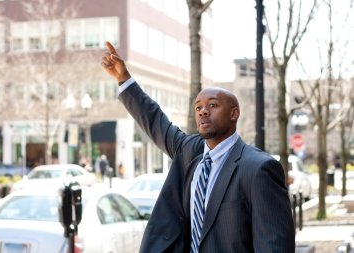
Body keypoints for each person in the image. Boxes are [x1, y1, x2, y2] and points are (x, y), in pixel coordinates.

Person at [101, 41, 295, 252]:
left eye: (212, 105)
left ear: (234, 114)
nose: (203, 111)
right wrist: (124, 79)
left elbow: (274, 246)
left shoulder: (259, 169)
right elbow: (156, 121)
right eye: (198, 107)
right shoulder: (188, 151)